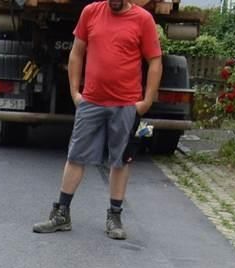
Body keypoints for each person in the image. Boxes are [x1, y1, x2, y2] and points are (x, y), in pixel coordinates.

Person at [32, 0, 162, 240]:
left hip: (126, 104)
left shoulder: (142, 19)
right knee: (75, 156)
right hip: (91, 101)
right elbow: (77, 52)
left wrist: (146, 102)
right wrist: (74, 92)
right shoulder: (90, 12)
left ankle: (114, 216)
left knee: (121, 160)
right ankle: (61, 214)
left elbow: (155, 61)